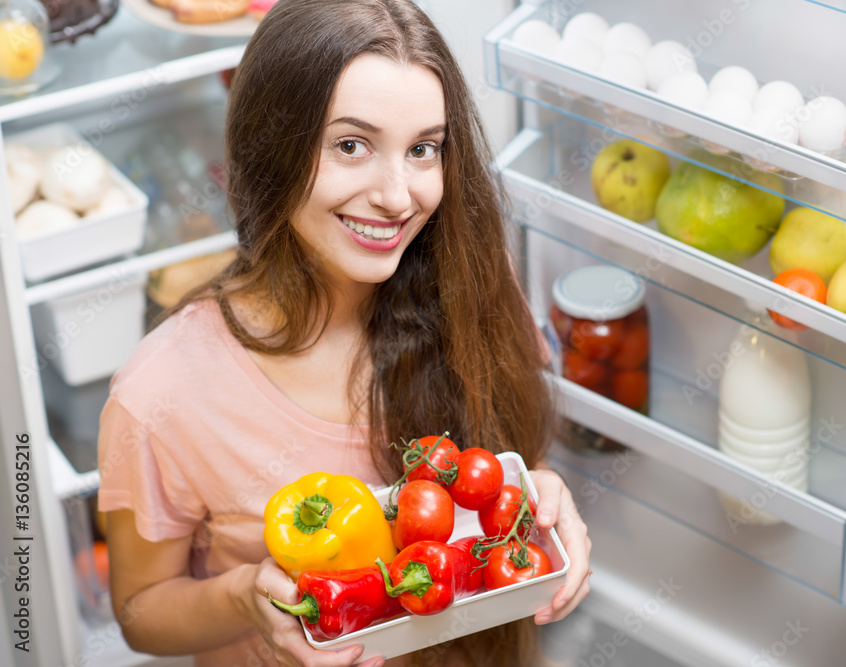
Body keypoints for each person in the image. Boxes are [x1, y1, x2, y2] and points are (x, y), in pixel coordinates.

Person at [96, 0, 592, 665]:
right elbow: (139, 610)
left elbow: (490, 476)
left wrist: (537, 498)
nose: (397, 195)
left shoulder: (470, 278)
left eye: (423, 149)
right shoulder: (162, 391)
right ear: (270, 148)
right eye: (351, 145)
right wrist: (246, 595)